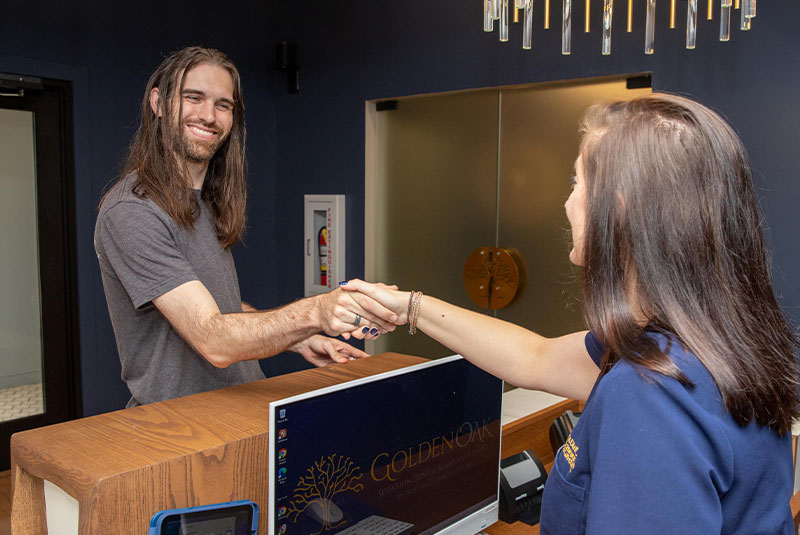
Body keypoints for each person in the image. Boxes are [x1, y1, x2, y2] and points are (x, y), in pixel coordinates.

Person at [343, 93, 800, 534]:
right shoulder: (710, 338)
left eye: (577, 181)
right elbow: (534, 357)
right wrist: (411, 308)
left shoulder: (651, 394)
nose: (567, 201)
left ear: (618, 211)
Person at [95, 46, 396, 407]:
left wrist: (300, 339)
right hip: (183, 428)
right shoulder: (132, 210)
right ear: (158, 103)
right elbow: (213, 338)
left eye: (223, 105)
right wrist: (316, 313)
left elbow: (213, 305)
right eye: (194, 98)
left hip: (241, 409)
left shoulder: (204, 200)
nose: (209, 115)